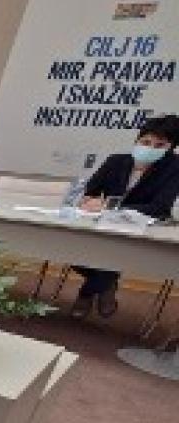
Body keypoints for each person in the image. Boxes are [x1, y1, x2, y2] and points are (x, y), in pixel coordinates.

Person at [71, 114, 179, 318]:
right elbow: (89, 192)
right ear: (137, 140)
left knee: (113, 252)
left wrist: (110, 207)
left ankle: (86, 293)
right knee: (71, 247)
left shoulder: (175, 169)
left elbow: (160, 207)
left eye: (160, 145)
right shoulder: (116, 161)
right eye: (145, 142)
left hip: (141, 232)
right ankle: (108, 283)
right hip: (100, 226)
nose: (150, 148)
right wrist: (88, 201)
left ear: (171, 148)